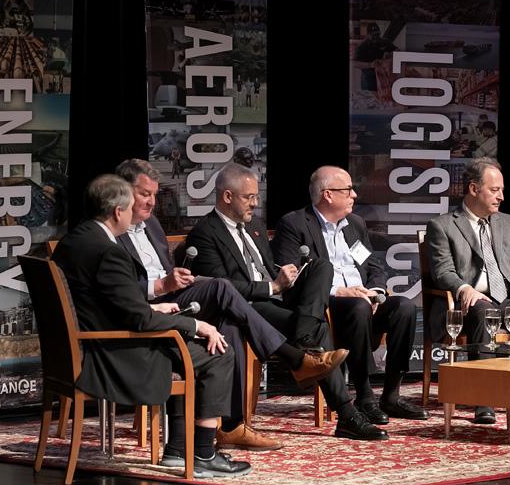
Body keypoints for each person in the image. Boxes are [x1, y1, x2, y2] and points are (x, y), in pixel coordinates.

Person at [113, 159, 347, 451]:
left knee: (316, 274)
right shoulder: (115, 234)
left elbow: (263, 266)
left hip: (207, 300)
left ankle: (234, 425)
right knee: (223, 290)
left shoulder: (152, 225)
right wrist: (162, 285)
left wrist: (281, 278)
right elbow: (119, 290)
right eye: (144, 194)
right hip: (162, 307)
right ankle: (299, 360)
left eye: (154, 195)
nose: (152, 201)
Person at [52, 174, 248, 477]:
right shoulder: (109, 252)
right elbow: (140, 321)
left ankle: (178, 449)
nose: (135, 212)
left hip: (89, 343)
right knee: (218, 353)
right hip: (113, 354)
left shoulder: (73, 241)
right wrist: (196, 325)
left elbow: (104, 301)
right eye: (132, 206)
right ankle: (203, 454)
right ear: (118, 211)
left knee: (186, 347)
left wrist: (153, 307)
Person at [186, 163, 387, 441]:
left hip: (278, 299)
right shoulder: (205, 232)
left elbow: (270, 267)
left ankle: (305, 340)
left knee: (321, 267)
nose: (255, 204)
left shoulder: (254, 226)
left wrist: (285, 275)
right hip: (247, 307)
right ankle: (346, 414)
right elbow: (222, 287)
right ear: (227, 196)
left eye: (256, 196)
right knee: (319, 327)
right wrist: (271, 286)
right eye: (249, 197)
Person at [272, 166, 429, 426]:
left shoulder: (355, 224)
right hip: (328, 307)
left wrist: (376, 292)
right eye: (348, 190)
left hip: (365, 301)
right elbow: (292, 280)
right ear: (328, 194)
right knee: (358, 306)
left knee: (404, 307)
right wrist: (339, 291)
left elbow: (374, 266)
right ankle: (364, 396)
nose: (354, 195)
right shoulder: (294, 224)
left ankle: (391, 395)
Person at [425, 157, 510, 424]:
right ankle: (484, 399)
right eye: (495, 190)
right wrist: (464, 288)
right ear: (473, 189)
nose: (501, 197)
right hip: (470, 304)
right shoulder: (442, 225)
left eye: (502, 190)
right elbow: (442, 271)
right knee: (484, 311)